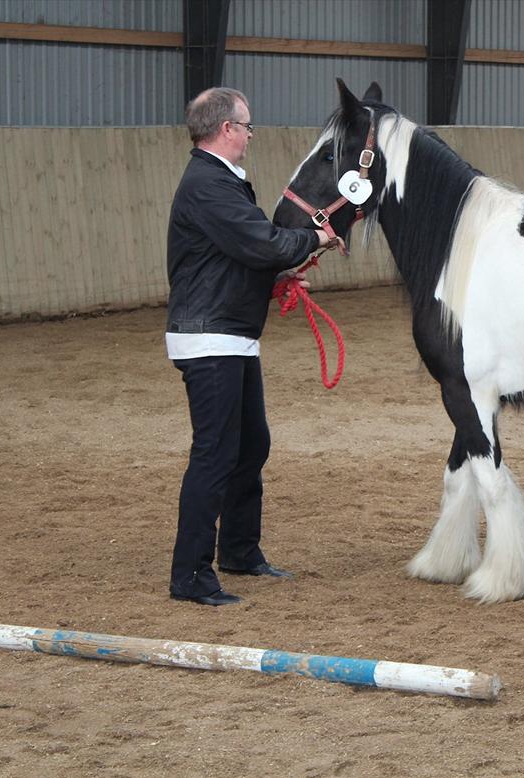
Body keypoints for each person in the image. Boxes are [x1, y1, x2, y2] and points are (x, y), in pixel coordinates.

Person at [165, 87, 332, 606]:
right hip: (211, 336)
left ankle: (238, 551)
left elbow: (238, 255)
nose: (250, 135)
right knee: (215, 454)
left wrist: (276, 279)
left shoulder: (221, 181)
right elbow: (260, 243)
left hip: (230, 333)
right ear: (227, 129)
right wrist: (315, 239)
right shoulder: (208, 185)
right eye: (247, 126)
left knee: (250, 446)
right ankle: (190, 576)